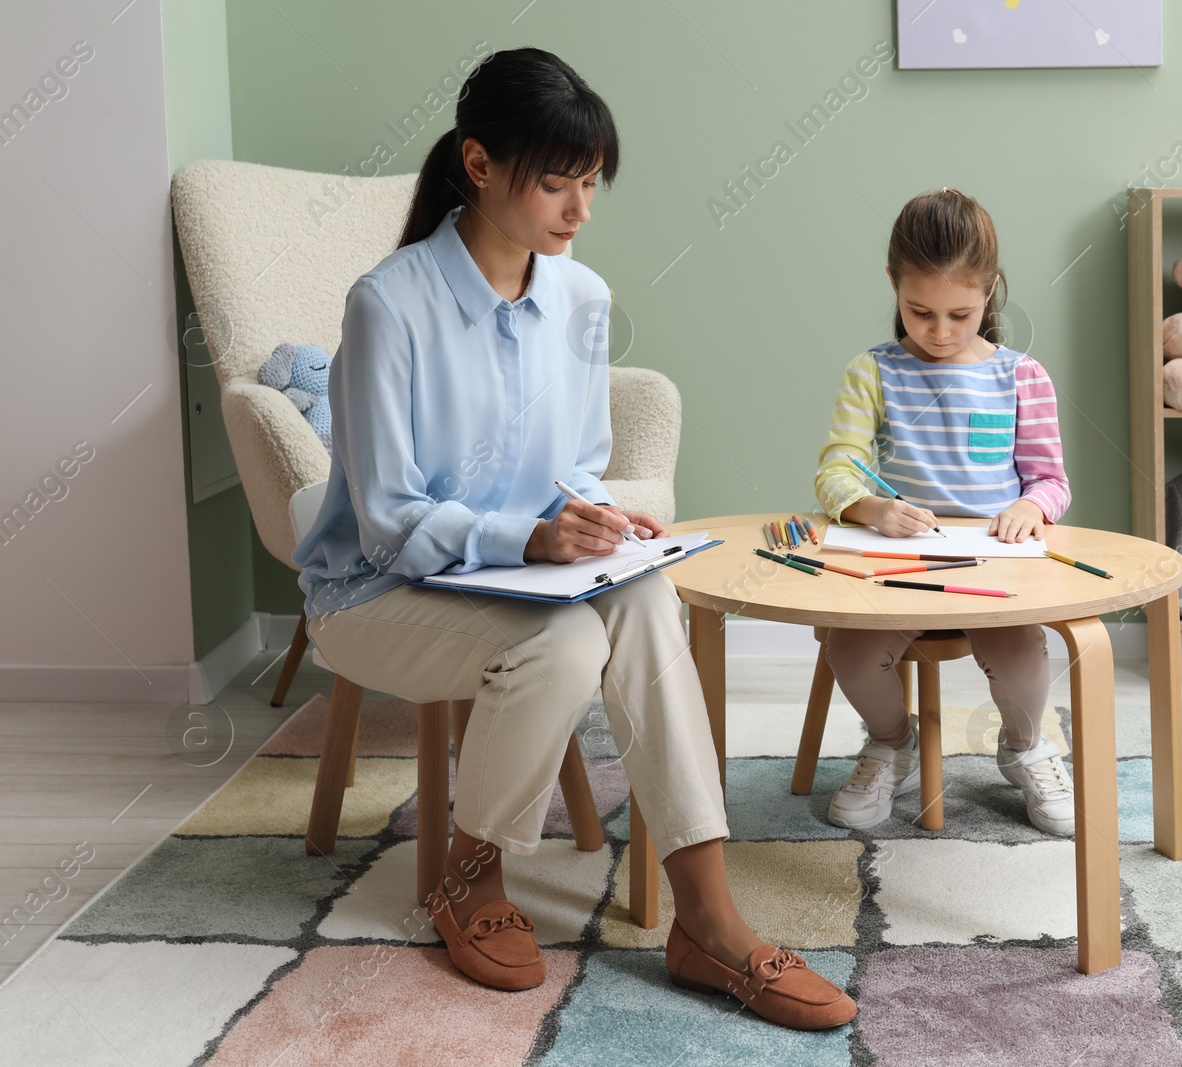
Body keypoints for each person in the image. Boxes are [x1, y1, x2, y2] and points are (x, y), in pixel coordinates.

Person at [293, 47, 853, 1031]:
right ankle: (470, 876)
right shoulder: (388, 305)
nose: (579, 209)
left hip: (516, 580)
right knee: (562, 640)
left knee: (641, 593)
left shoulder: (580, 299)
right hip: (377, 594)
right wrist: (531, 534)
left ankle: (708, 917)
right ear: (477, 163)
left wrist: (593, 519)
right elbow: (386, 519)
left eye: (590, 184)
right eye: (557, 182)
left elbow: (577, 462)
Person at [812, 188, 1075, 837]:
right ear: (893, 285)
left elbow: (1050, 480)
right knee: (848, 647)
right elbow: (836, 467)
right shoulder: (871, 371)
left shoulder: (1022, 376)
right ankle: (890, 742)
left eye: (960, 313)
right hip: (898, 563)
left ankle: (1024, 745)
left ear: (990, 290)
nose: (938, 331)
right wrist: (871, 507)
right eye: (918, 311)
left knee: (1020, 650)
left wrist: (1028, 505)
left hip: (993, 563)